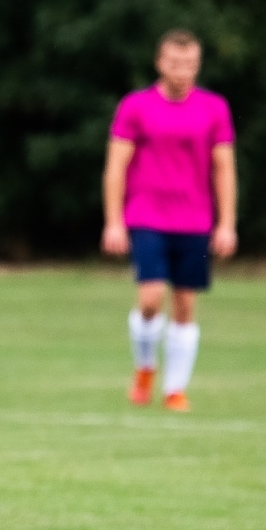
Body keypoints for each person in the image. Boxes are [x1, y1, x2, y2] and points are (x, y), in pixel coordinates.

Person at [101, 29, 238, 412]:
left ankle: (175, 388)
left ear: (198, 65)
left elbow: (224, 168)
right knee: (150, 299)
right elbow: (116, 166)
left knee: (184, 304)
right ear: (160, 63)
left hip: (195, 220)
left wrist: (227, 223)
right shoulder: (135, 107)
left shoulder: (214, 108)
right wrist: (114, 221)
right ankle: (145, 367)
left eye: (190, 64)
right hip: (146, 216)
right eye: (175, 64)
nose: (182, 72)